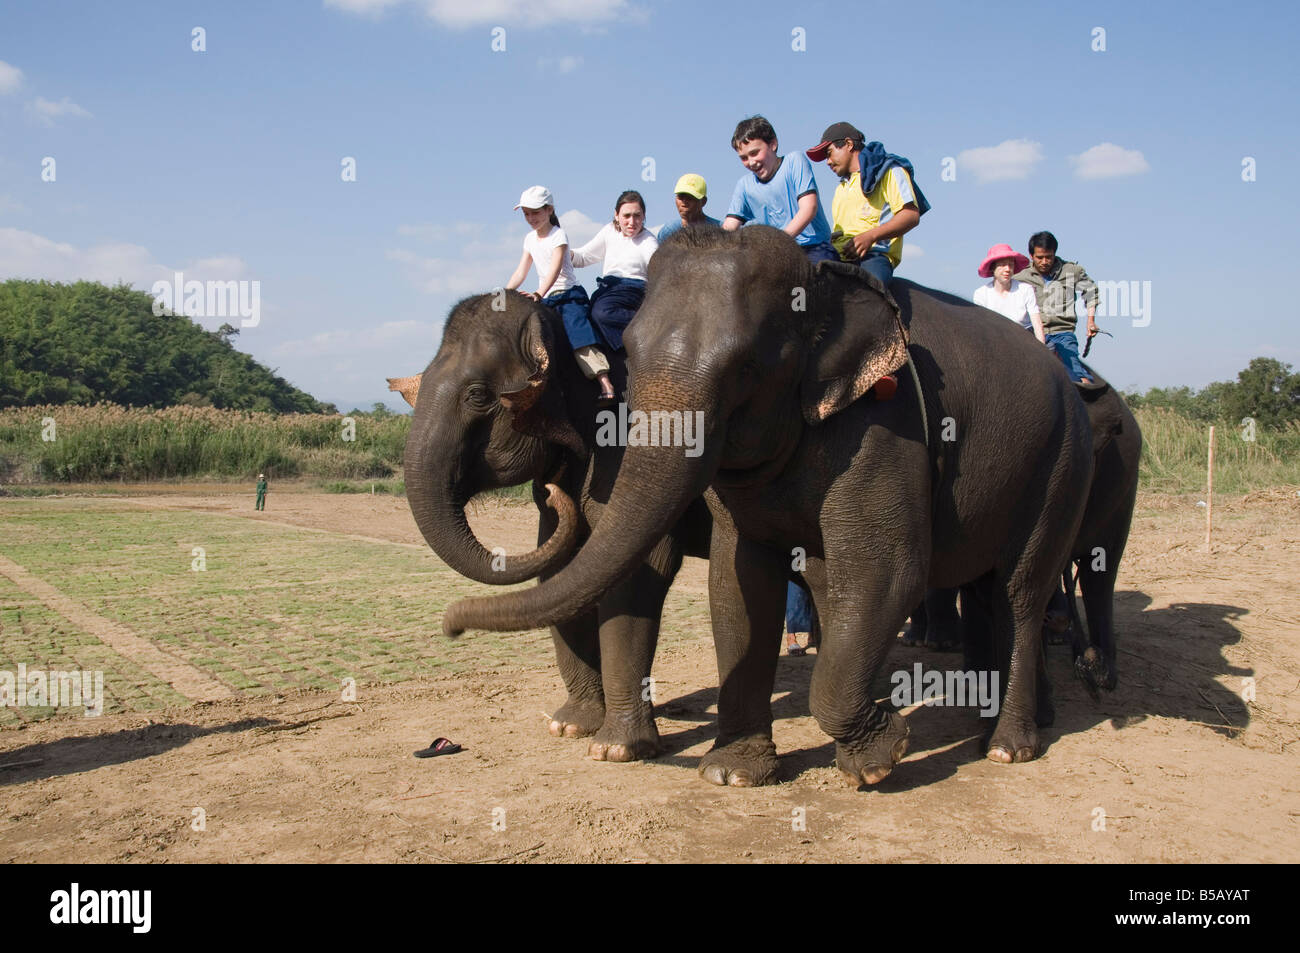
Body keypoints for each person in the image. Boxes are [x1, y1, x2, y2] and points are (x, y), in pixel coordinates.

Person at [505, 185, 616, 405]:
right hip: (546, 299)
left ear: (549, 210)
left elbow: (555, 269)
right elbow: (521, 270)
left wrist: (538, 293)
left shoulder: (558, 235)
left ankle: (605, 382)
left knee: (579, 334)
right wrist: (505, 293)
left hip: (567, 295)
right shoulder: (529, 239)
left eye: (535, 212)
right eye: (526, 213)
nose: (530, 218)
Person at [805, 122, 927, 287]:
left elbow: (910, 215)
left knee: (868, 297)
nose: (827, 162)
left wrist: (870, 236)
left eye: (829, 153)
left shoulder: (890, 171)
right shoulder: (841, 189)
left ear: (848, 144)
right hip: (839, 256)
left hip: (874, 257)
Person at [722, 115, 837, 264]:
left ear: (773, 144)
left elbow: (809, 208)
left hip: (813, 248)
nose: (751, 162)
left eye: (755, 153)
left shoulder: (794, 161)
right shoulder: (744, 185)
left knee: (808, 283)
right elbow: (729, 226)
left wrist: (778, 243)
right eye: (743, 158)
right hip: (776, 255)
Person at [569, 190, 658, 355]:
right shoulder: (609, 231)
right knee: (582, 316)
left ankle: (652, 322)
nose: (632, 222)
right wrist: (563, 254)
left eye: (637, 216)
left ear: (644, 216)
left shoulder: (649, 241)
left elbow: (658, 271)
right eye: (627, 216)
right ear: (616, 215)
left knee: (601, 314)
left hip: (633, 289)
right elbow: (584, 257)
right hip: (608, 289)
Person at [1014, 231, 1099, 384]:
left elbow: (1091, 292)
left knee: (1076, 375)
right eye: (1040, 257)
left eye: (1049, 257)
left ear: (1055, 253)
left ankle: (1087, 397)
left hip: (1063, 334)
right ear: (1031, 255)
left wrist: (1090, 321)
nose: (1045, 261)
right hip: (1031, 334)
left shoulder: (1072, 271)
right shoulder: (1021, 276)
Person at [973, 243, 1045, 342]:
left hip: (1025, 341)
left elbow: (1037, 325)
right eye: (1002, 265)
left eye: (1010, 264)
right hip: (995, 340)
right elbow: (980, 327)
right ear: (993, 268)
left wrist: (1041, 351)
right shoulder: (981, 294)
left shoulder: (1026, 289)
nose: (1007, 269)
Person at [657, 173, 721, 242]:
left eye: (690, 198)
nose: (684, 202)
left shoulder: (720, 230)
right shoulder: (668, 231)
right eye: (681, 197)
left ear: (703, 201)